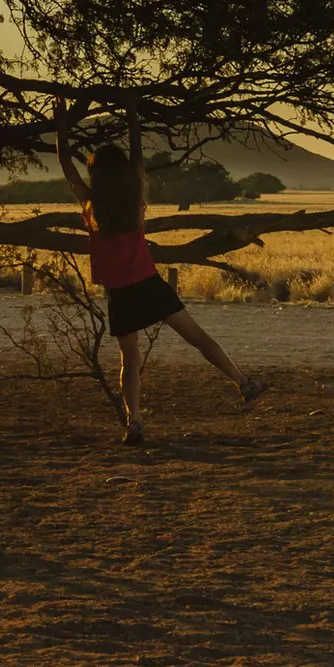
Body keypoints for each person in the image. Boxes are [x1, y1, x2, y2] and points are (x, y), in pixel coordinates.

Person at [61, 113, 267, 445]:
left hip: (120, 293)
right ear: (124, 172)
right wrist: (133, 117)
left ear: (95, 173)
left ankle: (135, 423)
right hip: (148, 283)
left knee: (130, 360)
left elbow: (68, 168)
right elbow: (139, 160)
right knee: (198, 337)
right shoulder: (133, 200)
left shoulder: (91, 204)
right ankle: (243, 382)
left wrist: (61, 126)